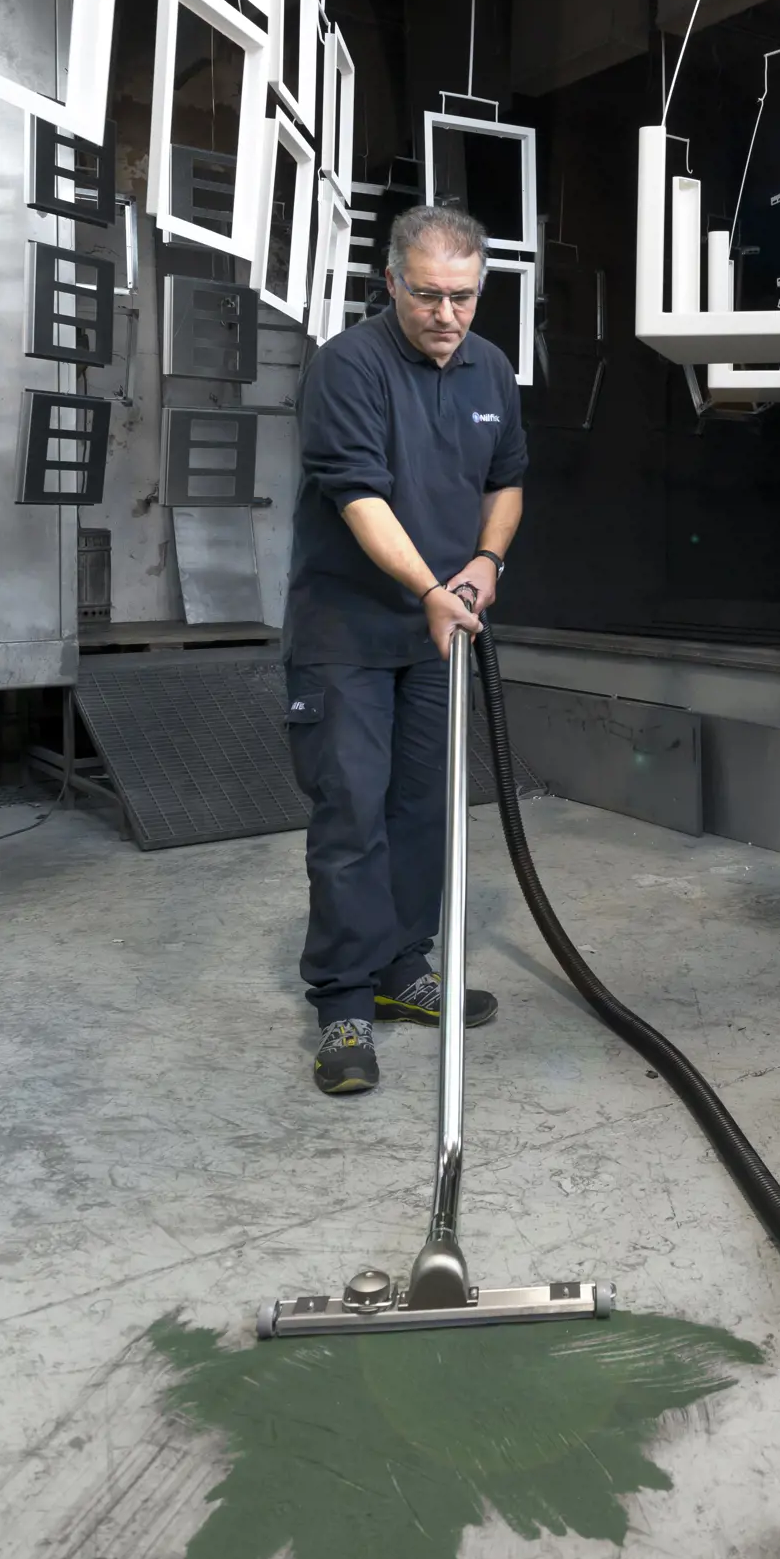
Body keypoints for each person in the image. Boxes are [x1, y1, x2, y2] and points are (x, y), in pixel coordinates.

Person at [282, 204, 526, 1095]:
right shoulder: (347, 366)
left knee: (424, 807)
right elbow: (360, 499)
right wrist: (430, 590)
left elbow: (506, 481)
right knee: (352, 811)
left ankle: (400, 967)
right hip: (347, 632)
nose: (446, 314)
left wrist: (486, 562)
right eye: (427, 295)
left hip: (438, 632)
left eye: (463, 296)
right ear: (390, 282)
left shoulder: (489, 368)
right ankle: (344, 1001)